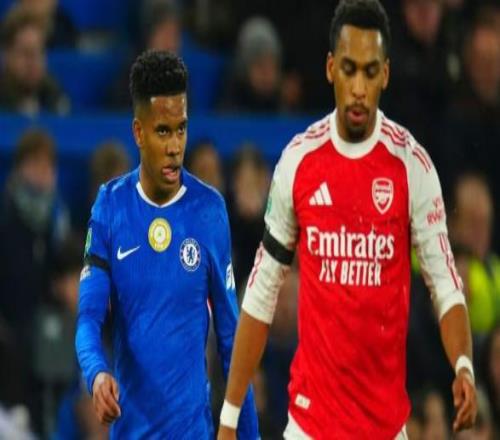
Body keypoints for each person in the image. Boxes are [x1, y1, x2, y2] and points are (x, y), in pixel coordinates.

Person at [217, 1, 477, 438]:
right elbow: (262, 291)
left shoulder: (411, 166)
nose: (358, 87)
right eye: (349, 69)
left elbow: (445, 284)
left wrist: (464, 365)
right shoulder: (299, 161)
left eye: (370, 72)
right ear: (330, 68)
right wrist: (229, 417)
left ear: (385, 74)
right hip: (310, 425)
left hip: (384, 426)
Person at [75, 50, 258, 438]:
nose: (175, 145)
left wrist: (250, 435)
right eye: (163, 131)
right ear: (139, 133)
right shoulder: (110, 207)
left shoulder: (209, 210)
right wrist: (97, 373)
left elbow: (231, 340)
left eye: (181, 129)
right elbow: (88, 318)